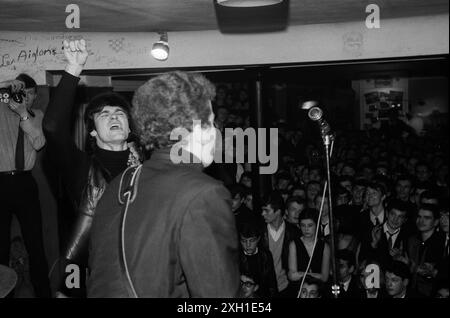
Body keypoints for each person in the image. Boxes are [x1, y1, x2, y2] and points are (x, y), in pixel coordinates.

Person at [87, 71, 240, 297]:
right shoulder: (204, 193)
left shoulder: (121, 184)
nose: (216, 131)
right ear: (197, 130)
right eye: (211, 122)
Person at [42, 39, 141, 297]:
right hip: (94, 275)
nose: (114, 116)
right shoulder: (81, 168)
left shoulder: (147, 169)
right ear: (93, 132)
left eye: (119, 113)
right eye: (104, 114)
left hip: (140, 270)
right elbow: (52, 127)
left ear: (129, 128)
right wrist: (73, 68)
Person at [0, 74, 50, 298]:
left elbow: (39, 142)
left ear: (35, 96)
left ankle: (43, 293)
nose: (25, 98)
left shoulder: (36, 115)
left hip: (24, 182)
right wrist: (5, 85)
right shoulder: (1, 109)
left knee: (35, 243)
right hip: (0, 183)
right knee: (0, 246)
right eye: (21, 93)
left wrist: (22, 113)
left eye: (30, 94)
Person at [260, 191, 298, 297]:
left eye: (266, 211)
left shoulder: (294, 232)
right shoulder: (258, 231)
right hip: (263, 289)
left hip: (286, 288)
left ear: (278, 212)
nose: (262, 214)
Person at [288, 208, 330, 297]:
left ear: (317, 225)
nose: (306, 229)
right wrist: (315, 275)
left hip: (318, 292)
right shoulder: (294, 244)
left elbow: (325, 277)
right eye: (303, 225)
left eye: (310, 225)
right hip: (298, 290)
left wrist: (301, 274)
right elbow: (292, 276)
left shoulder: (325, 246)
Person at [238, 222, 277, 297]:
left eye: (252, 241)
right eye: (244, 241)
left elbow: (272, 283)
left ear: (258, 239)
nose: (248, 245)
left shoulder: (265, 255)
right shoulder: (235, 257)